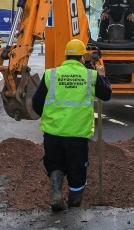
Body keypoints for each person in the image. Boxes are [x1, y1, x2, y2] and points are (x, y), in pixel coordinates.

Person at [31, 39, 112, 210]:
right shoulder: (91, 75)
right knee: (77, 172)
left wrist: (50, 118)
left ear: (66, 56)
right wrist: (102, 75)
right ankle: (74, 208)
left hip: (53, 134)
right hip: (77, 136)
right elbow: (106, 95)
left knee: (54, 164)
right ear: (83, 57)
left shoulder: (51, 74)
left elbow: (36, 102)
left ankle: (56, 193)